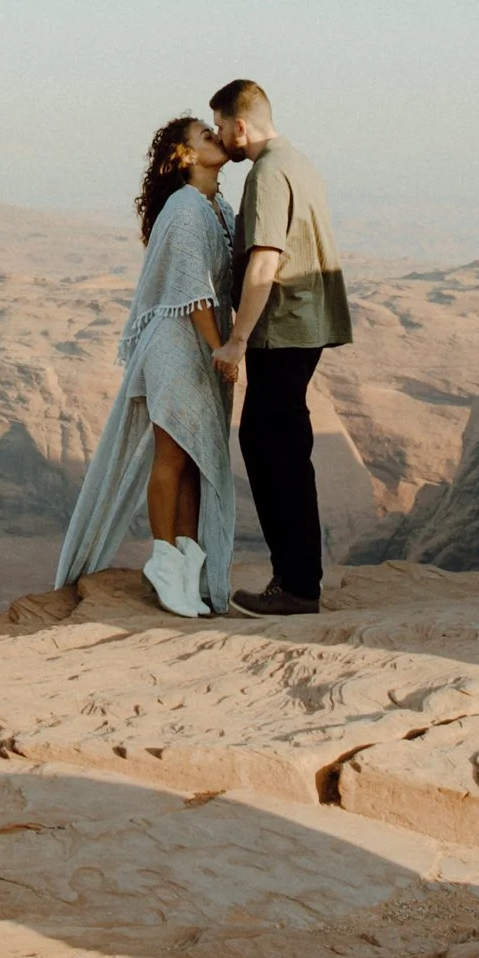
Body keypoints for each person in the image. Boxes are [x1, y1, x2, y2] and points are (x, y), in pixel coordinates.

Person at [52, 114, 238, 617]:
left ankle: (189, 570)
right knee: (173, 456)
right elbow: (190, 290)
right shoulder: (183, 208)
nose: (216, 139)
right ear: (184, 156)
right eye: (205, 135)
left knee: (196, 462)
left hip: (202, 343)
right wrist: (223, 348)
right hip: (177, 345)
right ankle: (164, 564)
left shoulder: (218, 207)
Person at [209, 78, 352, 615]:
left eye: (222, 128)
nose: (222, 139)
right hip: (304, 327)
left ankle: (295, 587)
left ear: (240, 125)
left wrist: (237, 340)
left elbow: (266, 261)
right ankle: (296, 579)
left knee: (276, 454)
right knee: (275, 446)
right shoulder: (300, 163)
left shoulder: (267, 174)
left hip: (281, 329)